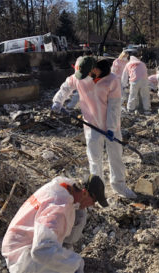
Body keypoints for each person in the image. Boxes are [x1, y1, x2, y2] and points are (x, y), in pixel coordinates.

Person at [51, 56, 137, 199]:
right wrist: (58, 100)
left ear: (94, 70)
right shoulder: (81, 75)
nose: (81, 78)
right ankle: (98, 188)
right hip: (91, 125)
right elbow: (67, 86)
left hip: (112, 126)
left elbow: (114, 107)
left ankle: (119, 185)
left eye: (86, 75)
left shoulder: (112, 80)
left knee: (115, 156)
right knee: (94, 158)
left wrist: (110, 127)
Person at [2, 175, 108, 273]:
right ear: (84, 193)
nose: (93, 205)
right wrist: (76, 264)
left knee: (80, 213)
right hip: (22, 258)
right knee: (71, 266)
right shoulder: (59, 209)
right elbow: (41, 250)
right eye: (94, 201)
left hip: (14, 243)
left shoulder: (60, 188)